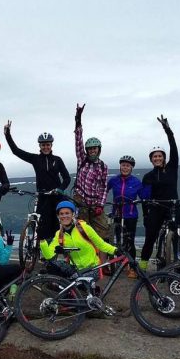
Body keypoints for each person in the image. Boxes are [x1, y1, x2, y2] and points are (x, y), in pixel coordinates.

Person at [140, 115, 180, 271]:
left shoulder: (172, 168)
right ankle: (142, 265)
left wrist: (168, 130)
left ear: (164, 157)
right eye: (154, 156)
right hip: (156, 208)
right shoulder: (148, 176)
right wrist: (146, 216)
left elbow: (173, 148)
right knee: (150, 236)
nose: (157, 158)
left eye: (160, 156)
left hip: (173, 206)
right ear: (151, 159)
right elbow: (144, 198)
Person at [4, 120, 71, 241]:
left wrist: (60, 189)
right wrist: (7, 134)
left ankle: (57, 248)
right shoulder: (35, 159)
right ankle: (39, 249)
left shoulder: (57, 160)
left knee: (57, 226)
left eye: (48, 144)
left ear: (51, 145)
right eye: (43, 145)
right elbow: (16, 151)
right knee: (42, 228)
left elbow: (67, 178)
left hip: (56, 197)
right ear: (39, 146)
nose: (46, 147)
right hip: (42, 196)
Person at [71, 103, 110, 263]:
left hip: (95, 204)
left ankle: (103, 263)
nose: (92, 151)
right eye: (90, 149)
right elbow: (78, 141)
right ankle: (83, 261)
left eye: (95, 148)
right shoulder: (82, 160)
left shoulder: (103, 166)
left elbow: (104, 187)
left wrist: (101, 204)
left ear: (99, 149)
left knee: (102, 232)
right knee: (80, 232)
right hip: (80, 201)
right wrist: (78, 120)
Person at [40, 200, 117, 273]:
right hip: (75, 269)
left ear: (73, 214)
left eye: (67, 213)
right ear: (58, 216)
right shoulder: (59, 234)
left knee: (78, 281)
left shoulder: (84, 228)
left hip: (92, 268)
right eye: (61, 214)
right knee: (52, 268)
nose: (64, 216)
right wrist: (42, 240)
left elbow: (101, 245)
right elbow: (49, 256)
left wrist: (115, 251)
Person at [107, 155, 142, 278]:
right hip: (117, 212)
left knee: (130, 241)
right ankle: (117, 262)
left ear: (131, 168)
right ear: (120, 166)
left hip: (130, 214)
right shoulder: (114, 180)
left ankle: (132, 267)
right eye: (123, 165)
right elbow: (104, 190)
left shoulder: (136, 182)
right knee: (116, 240)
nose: (125, 168)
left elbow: (143, 196)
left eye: (128, 166)